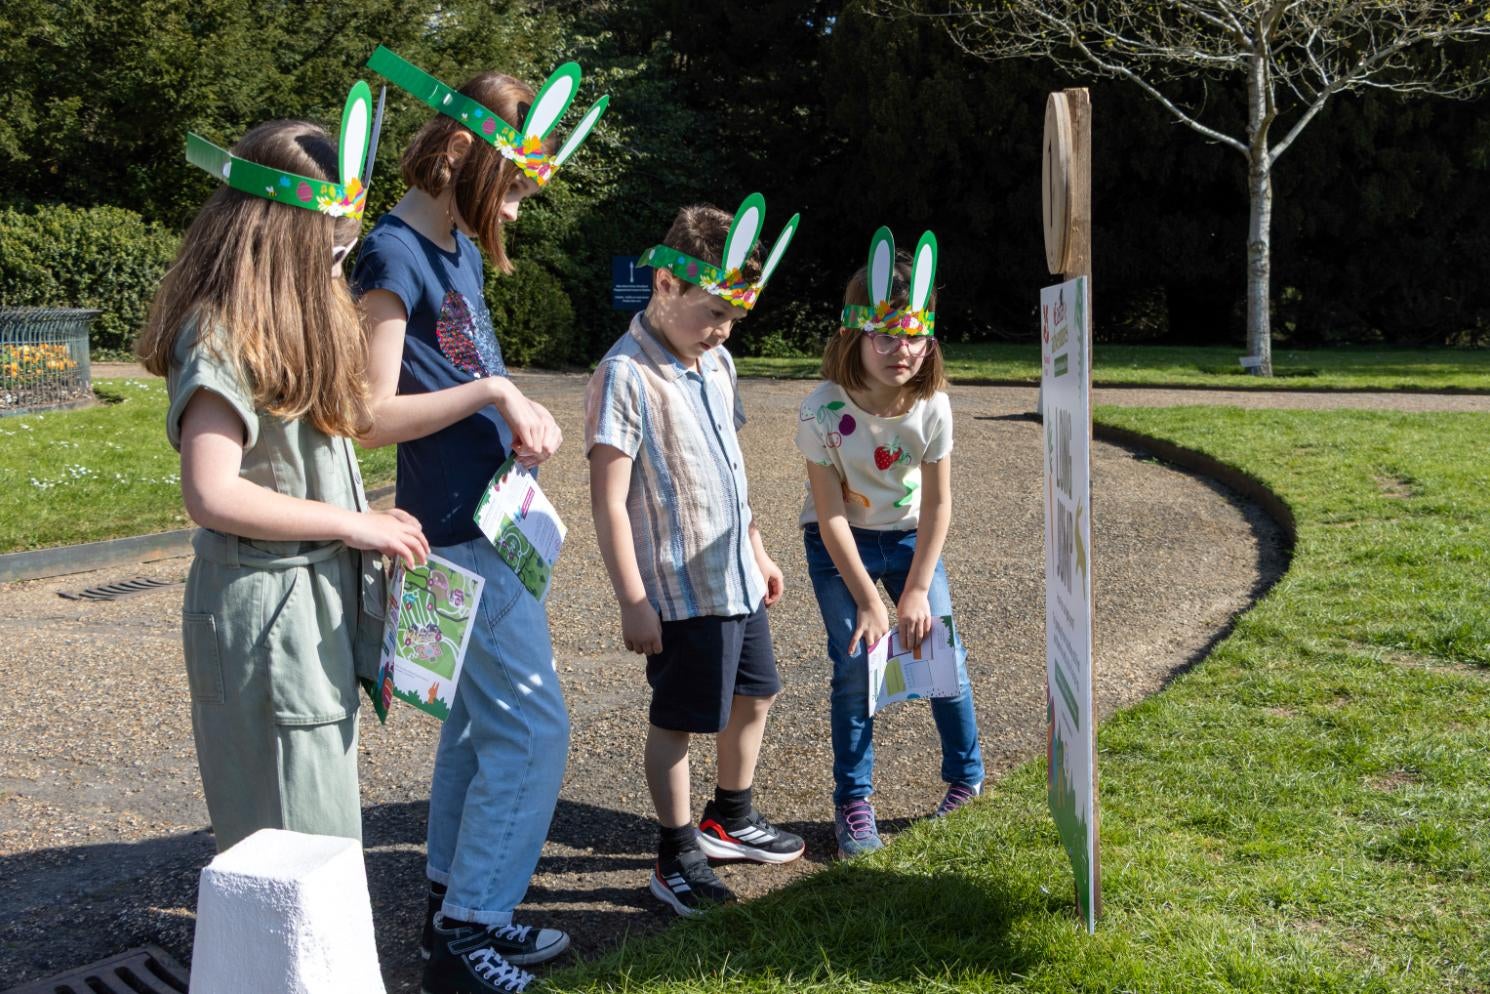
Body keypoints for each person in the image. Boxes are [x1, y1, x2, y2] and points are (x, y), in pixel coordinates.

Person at [354, 46, 606, 994]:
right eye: (509, 193)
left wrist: (505, 412)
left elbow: (452, 384)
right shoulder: (394, 252)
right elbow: (371, 418)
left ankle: (455, 910)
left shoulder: (452, 249)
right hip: (449, 534)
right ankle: (469, 935)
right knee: (535, 732)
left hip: (485, 520)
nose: (510, 215)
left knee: (471, 733)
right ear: (464, 158)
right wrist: (495, 391)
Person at [136, 84, 430, 854]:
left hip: (309, 599)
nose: (341, 260)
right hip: (266, 609)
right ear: (277, 232)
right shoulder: (219, 335)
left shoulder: (290, 322)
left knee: (317, 820)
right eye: (330, 244)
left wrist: (371, 519)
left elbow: (313, 456)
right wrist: (351, 523)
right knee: (297, 840)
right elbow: (213, 490)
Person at [586, 195, 806, 917]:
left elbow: (728, 465)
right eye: (712, 311)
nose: (721, 330)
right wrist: (632, 599)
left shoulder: (718, 365)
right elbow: (610, 499)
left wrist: (758, 546)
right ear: (665, 285)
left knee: (759, 692)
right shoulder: (624, 374)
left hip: (735, 575)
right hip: (680, 592)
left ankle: (729, 817)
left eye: (733, 319)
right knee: (678, 721)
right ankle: (674, 852)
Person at [795, 227, 985, 858]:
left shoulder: (933, 407)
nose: (899, 348)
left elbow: (938, 504)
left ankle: (966, 780)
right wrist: (871, 602)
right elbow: (829, 519)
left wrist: (918, 589)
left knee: (940, 659)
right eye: (884, 334)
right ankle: (854, 801)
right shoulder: (821, 409)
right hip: (839, 544)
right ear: (854, 334)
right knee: (855, 666)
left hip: (908, 540)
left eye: (913, 334)